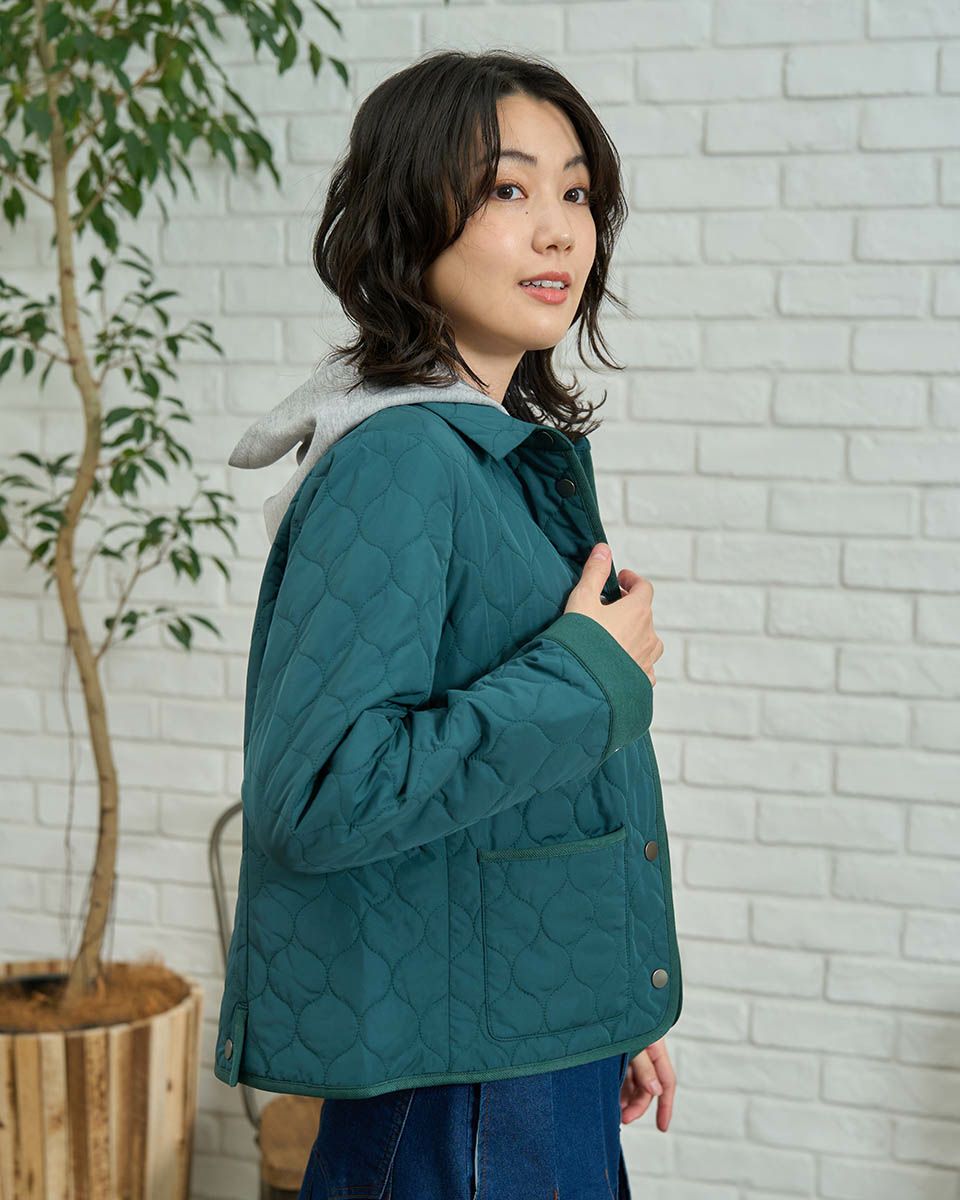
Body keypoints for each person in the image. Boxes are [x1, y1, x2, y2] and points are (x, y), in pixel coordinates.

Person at [215, 47, 681, 1200]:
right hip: (463, 1093)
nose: (559, 230)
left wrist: (599, 998)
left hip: (520, 1044)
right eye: (507, 188)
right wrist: (583, 675)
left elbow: (510, 799)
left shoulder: (484, 450)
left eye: (577, 192)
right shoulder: (405, 460)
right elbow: (321, 794)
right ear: (406, 215)